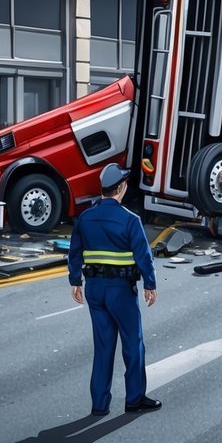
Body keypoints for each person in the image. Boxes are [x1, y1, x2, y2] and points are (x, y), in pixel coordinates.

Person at [68, 163, 160, 416]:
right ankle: (134, 399)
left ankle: (99, 404)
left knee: (103, 346)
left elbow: (74, 252)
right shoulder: (130, 220)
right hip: (121, 290)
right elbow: (143, 256)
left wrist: (75, 280)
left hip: (95, 289)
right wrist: (150, 284)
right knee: (132, 343)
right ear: (121, 187)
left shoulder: (85, 218)